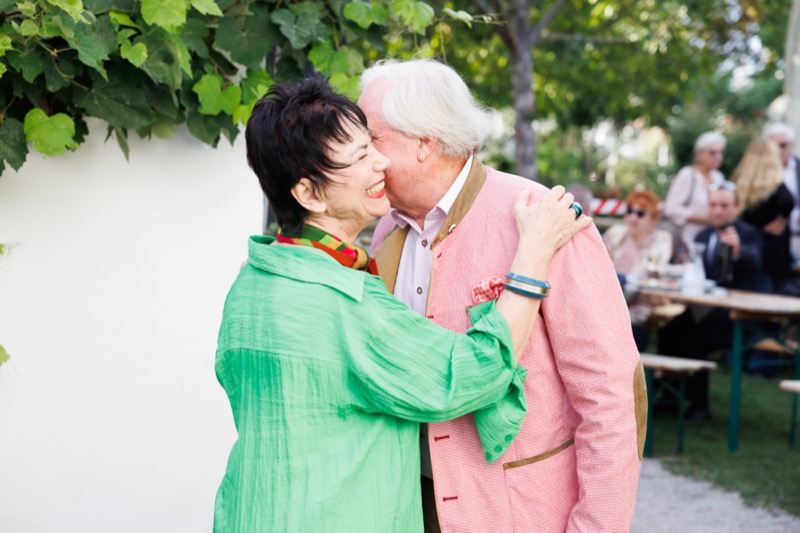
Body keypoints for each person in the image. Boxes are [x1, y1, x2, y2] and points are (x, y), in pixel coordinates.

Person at [213, 76, 591, 532]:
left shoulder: (253, 280)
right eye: (360, 156)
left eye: (374, 144)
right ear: (308, 193)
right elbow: (476, 371)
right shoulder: (345, 304)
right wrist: (534, 253)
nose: (380, 163)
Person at [359, 59, 645, 533]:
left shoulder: (545, 217)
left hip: (518, 514)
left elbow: (612, 396)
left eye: (372, 139)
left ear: (424, 143)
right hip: (406, 507)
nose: (361, 154)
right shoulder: (386, 229)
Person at [657, 181, 768, 420]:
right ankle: (669, 396)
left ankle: (700, 404)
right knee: (670, 328)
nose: (718, 211)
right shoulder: (703, 235)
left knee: (695, 336)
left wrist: (738, 250)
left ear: (737, 207)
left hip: (737, 316)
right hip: (706, 309)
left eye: (724, 206)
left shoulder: (748, 234)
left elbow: (756, 261)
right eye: (714, 205)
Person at [602, 189, 673, 350]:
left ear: (653, 218)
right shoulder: (617, 233)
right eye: (629, 211)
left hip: (637, 308)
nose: (633, 217)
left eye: (640, 214)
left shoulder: (661, 240)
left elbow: (646, 274)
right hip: (606, 303)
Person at [732, 139, 794, 292]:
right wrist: (782, 219)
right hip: (771, 244)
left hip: (747, 240)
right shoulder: (775, 184)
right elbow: (788, 201)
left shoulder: (740, 183)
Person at [663, 131, 727, 259]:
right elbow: (671, 208)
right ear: (699, 154)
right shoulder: (688, 175)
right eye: (712, 153)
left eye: (720, 152)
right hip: (687, 240)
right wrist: (703, 218)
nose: (717, 157)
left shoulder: (718, 177)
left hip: (710, 239)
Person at [763, 123, 800, 260]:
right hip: (774, 239)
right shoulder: (762, 172)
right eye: (773, 146)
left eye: (782, 145)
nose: (778, 151)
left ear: (791, 145)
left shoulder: (797, 167)